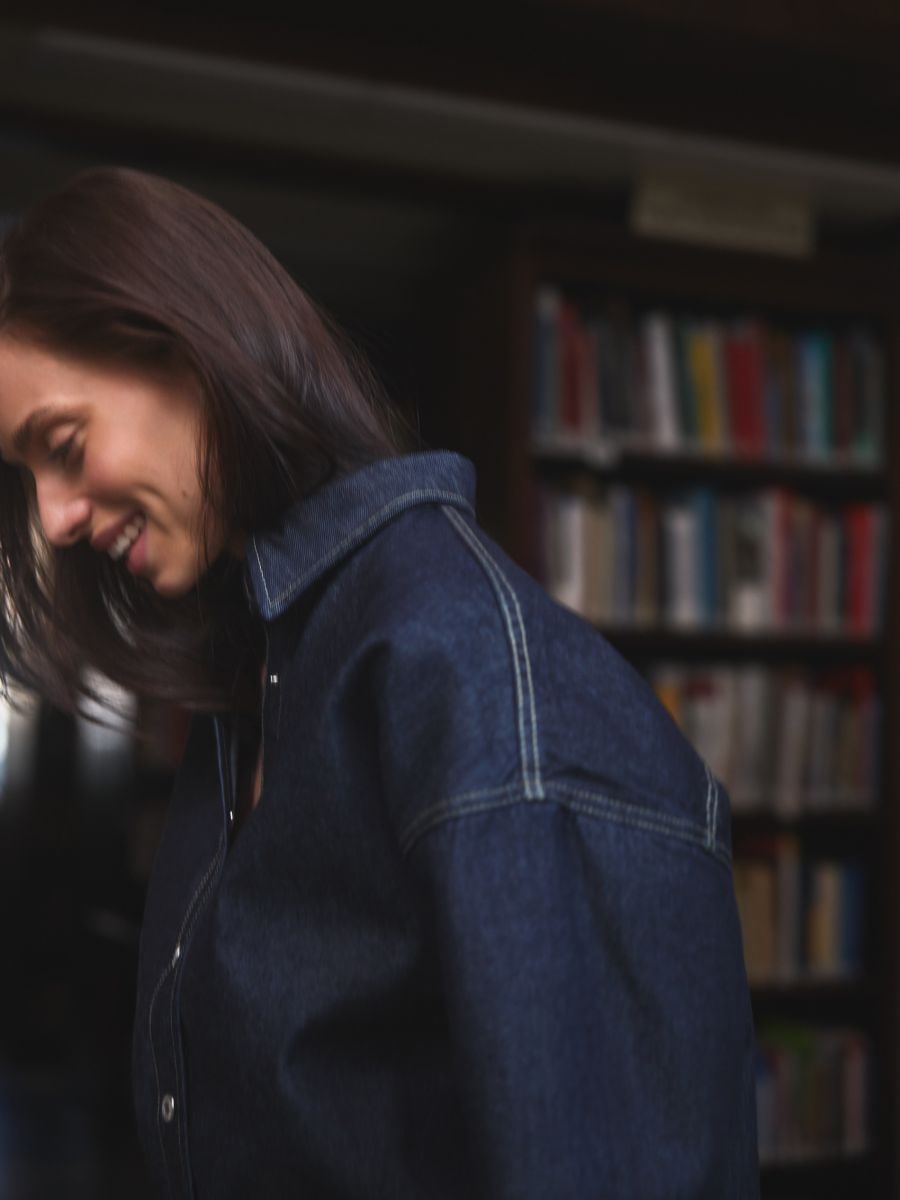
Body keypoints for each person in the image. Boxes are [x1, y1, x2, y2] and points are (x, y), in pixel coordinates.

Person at [0, 167, 759, 1199]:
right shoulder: (260, 684)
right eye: (30, 474)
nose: (52, 518)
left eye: (65, 445)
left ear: (184, 348)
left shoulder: (469, 675)